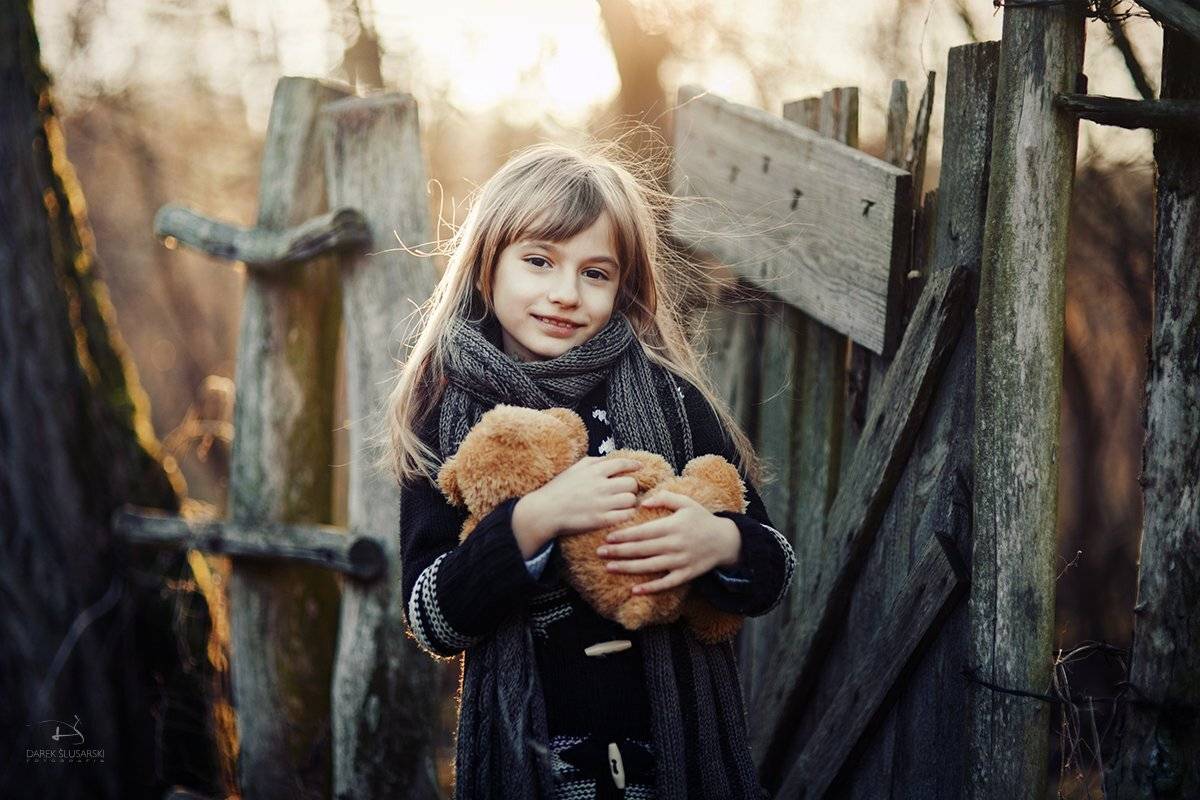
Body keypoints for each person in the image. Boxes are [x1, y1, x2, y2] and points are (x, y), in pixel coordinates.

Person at [382, 139, 796, 800]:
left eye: (595, 273)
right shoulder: (444, 412)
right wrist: (535, 520)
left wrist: (720, 542)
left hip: (678, 770)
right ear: (487, 267)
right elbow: (432, 619)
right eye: (539, 261)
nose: (565, 294)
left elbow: (774, 569)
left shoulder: (673, 400)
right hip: (535, 772)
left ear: (622, 287)